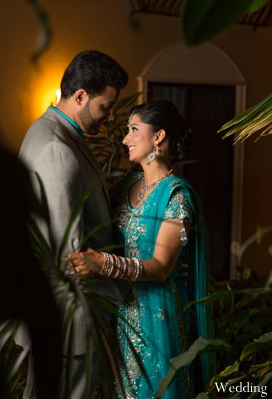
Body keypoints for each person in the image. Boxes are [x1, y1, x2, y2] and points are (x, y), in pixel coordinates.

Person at [68, 98, 215, 398]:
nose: (125, 139)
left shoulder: (177, 197)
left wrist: (104, 263)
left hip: (158, 316)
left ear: (158, 136)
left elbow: (161, 267)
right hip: (120, 313)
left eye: (134, 129)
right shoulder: (125, 186)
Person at [17, 50, 130, 399]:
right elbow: (70, 257)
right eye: (105, 107)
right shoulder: (56, 148)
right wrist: (125, 276)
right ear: (80, 95)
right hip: (70, 323)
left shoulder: (60, 133)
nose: (111, 117)